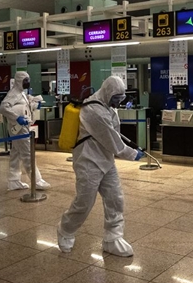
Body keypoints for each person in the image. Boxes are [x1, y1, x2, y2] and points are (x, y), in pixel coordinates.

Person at [57, 76, 143, 257]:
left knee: (115, 199)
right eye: (116, 98)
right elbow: (111, 140)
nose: (118, 102)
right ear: (108, 92)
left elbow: (114, 134)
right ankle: (66, 230)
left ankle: (113, 238)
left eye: (121, 98)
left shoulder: (107, 106)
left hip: (106, 161)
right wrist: (132, 154)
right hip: (88, 161)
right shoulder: (93, 110)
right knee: (84, 203)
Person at [0, 71, 50, 191]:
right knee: (28, 154)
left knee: (16, 154)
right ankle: (36, 180)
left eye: (28, 80)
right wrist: (16, 117)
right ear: (19, 81)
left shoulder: (21, 93)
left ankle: (13, 181)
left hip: (21, 127)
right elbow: (3, 107)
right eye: (25, 80)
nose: (28, 83)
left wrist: (34, 105)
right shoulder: (14, 93)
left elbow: (23, 106)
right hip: (19, 128)